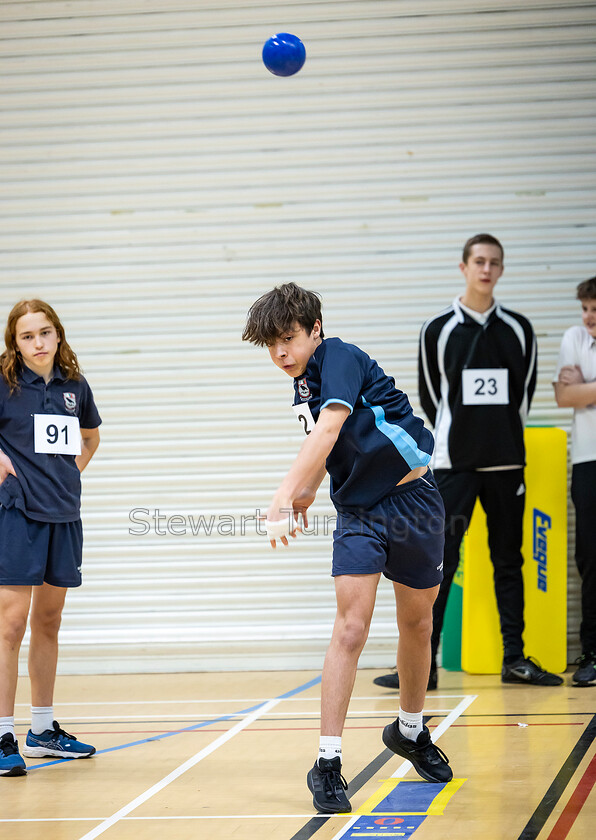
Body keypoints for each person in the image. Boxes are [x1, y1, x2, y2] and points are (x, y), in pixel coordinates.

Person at [242, 282, 452, 815]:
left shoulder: (340, 356)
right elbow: (330, 441)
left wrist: (283, 494)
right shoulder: (305, 382)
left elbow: (333, 426)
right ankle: (328, 761)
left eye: (288, 339)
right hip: (361, 512)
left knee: (419, 622)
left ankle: (409, 730)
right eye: (271, 346)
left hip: (415, 502)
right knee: (351, 626)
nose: (280, 354)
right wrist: (309, 489)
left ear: (315, 329)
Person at [374, 233, 562, 691]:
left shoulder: (518, 329)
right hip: (452, 466)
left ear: (501, 270)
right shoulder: (436, 330)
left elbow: (523, 394)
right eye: (478, 261)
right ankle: (424, 666)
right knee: (439, 561)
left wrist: (498, 439)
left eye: (494, 263)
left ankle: (514, 658)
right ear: (464, 267)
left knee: (509, 560)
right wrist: (457, 440)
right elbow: (432, 397)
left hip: (505, 466)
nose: (486, 269)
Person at [0, 300, 101, 777]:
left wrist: (69, 476)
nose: (38, 342)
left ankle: (41, 731)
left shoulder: (74, 387)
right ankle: (3, 734)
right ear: (14, 344)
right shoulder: (4, 384)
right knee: (10, 624)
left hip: (64, 515)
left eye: (45, 333)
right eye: (26, 336)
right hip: (17, 514)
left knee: (49, 620)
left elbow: (91, 438)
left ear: (57, 335)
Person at [554, 276, 596, 686]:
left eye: (595, 310)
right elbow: (564, 397)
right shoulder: (574, 337)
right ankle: (592, 652)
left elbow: (577, 391)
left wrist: (585, 386)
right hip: (588, 460)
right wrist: (576, 391)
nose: (588, 318)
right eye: (585, 309)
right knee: (591, 558)